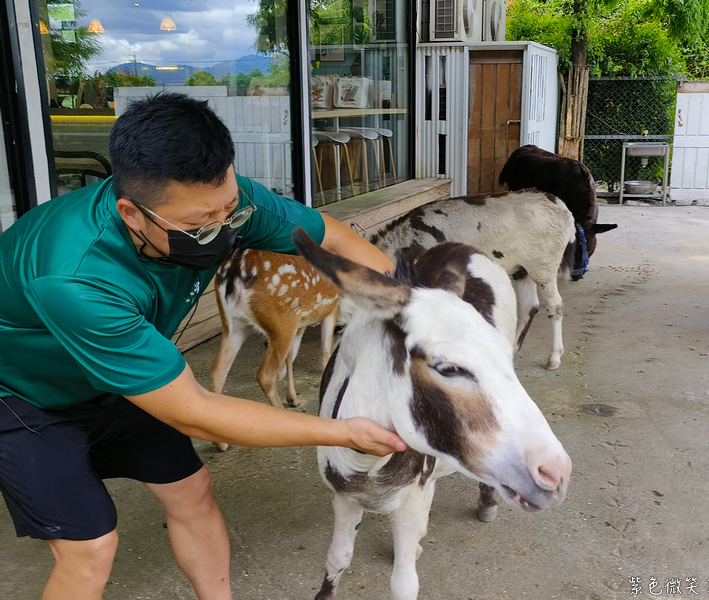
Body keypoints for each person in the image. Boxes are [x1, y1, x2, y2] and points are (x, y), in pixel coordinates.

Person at [0, 92, 406, 600]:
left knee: (192, 492)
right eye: (196, 226)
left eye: (229, 211)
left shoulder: (219, 201)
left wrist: (405, 304)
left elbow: (329, 239)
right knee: (91, 547)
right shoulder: (74, 277)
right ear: (131, 212)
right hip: (22, 395)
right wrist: (341, 431)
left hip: (117, 376)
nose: (220, 230)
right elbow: (193, 411)